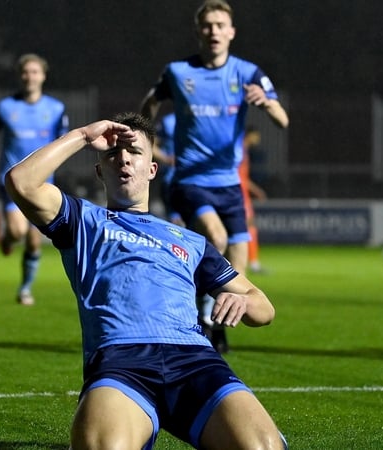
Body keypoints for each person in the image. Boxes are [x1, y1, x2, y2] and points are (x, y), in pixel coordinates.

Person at [4, 112, 286, 450]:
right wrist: (81, 136)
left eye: (134, 152)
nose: (123, 158)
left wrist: (244, 300)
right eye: (112, 153)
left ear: (152, 169)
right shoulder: (83, 221)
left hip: (195, 360)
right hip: (122, 362)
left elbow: (263, 308)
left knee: (264, 447)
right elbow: (21, 181)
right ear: (100, 170)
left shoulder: (191, 241)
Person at [140, 0, 289, 352]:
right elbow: (150, 102)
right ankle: (197, 319)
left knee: (237, 273)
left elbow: (283, 120)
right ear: (198, 32)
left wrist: (266, 103)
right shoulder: (178, 72)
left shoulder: (247, 73)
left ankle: (211, 323)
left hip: (230, 185)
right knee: (216, 239)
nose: (214, 31)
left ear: (232, 32)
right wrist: (145, 137)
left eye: (221, 25)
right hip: (190, 181)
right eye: (207, 25)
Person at [0, 53, 68, 306]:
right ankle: (8, 239)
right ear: (20, 76)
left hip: (42, 183)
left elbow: (63, 142)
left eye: (34, 71)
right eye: (25, 72)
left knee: (34, 239)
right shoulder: (6, 107)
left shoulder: (55, 109)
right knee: (18, 231)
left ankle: (25, 289)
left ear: (43, 75)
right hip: (12, 181)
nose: (29, 76)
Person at [240, 126, 268, 274]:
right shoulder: (239, 150)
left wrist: (256, 190)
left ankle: (249, 261)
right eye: (256, 135)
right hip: (238, 195)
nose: (258, 139)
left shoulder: (243, 151)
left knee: (247, 227)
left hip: (241, 194)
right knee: (248, 227)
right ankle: (251, 262)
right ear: (249, 135)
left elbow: (243, 178)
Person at [152, 112, 183, 225]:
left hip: (197, 180)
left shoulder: (204, 119)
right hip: (171, 180)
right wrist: (166, 159)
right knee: (176, 222)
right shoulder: (168, 121)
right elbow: (152, 145)